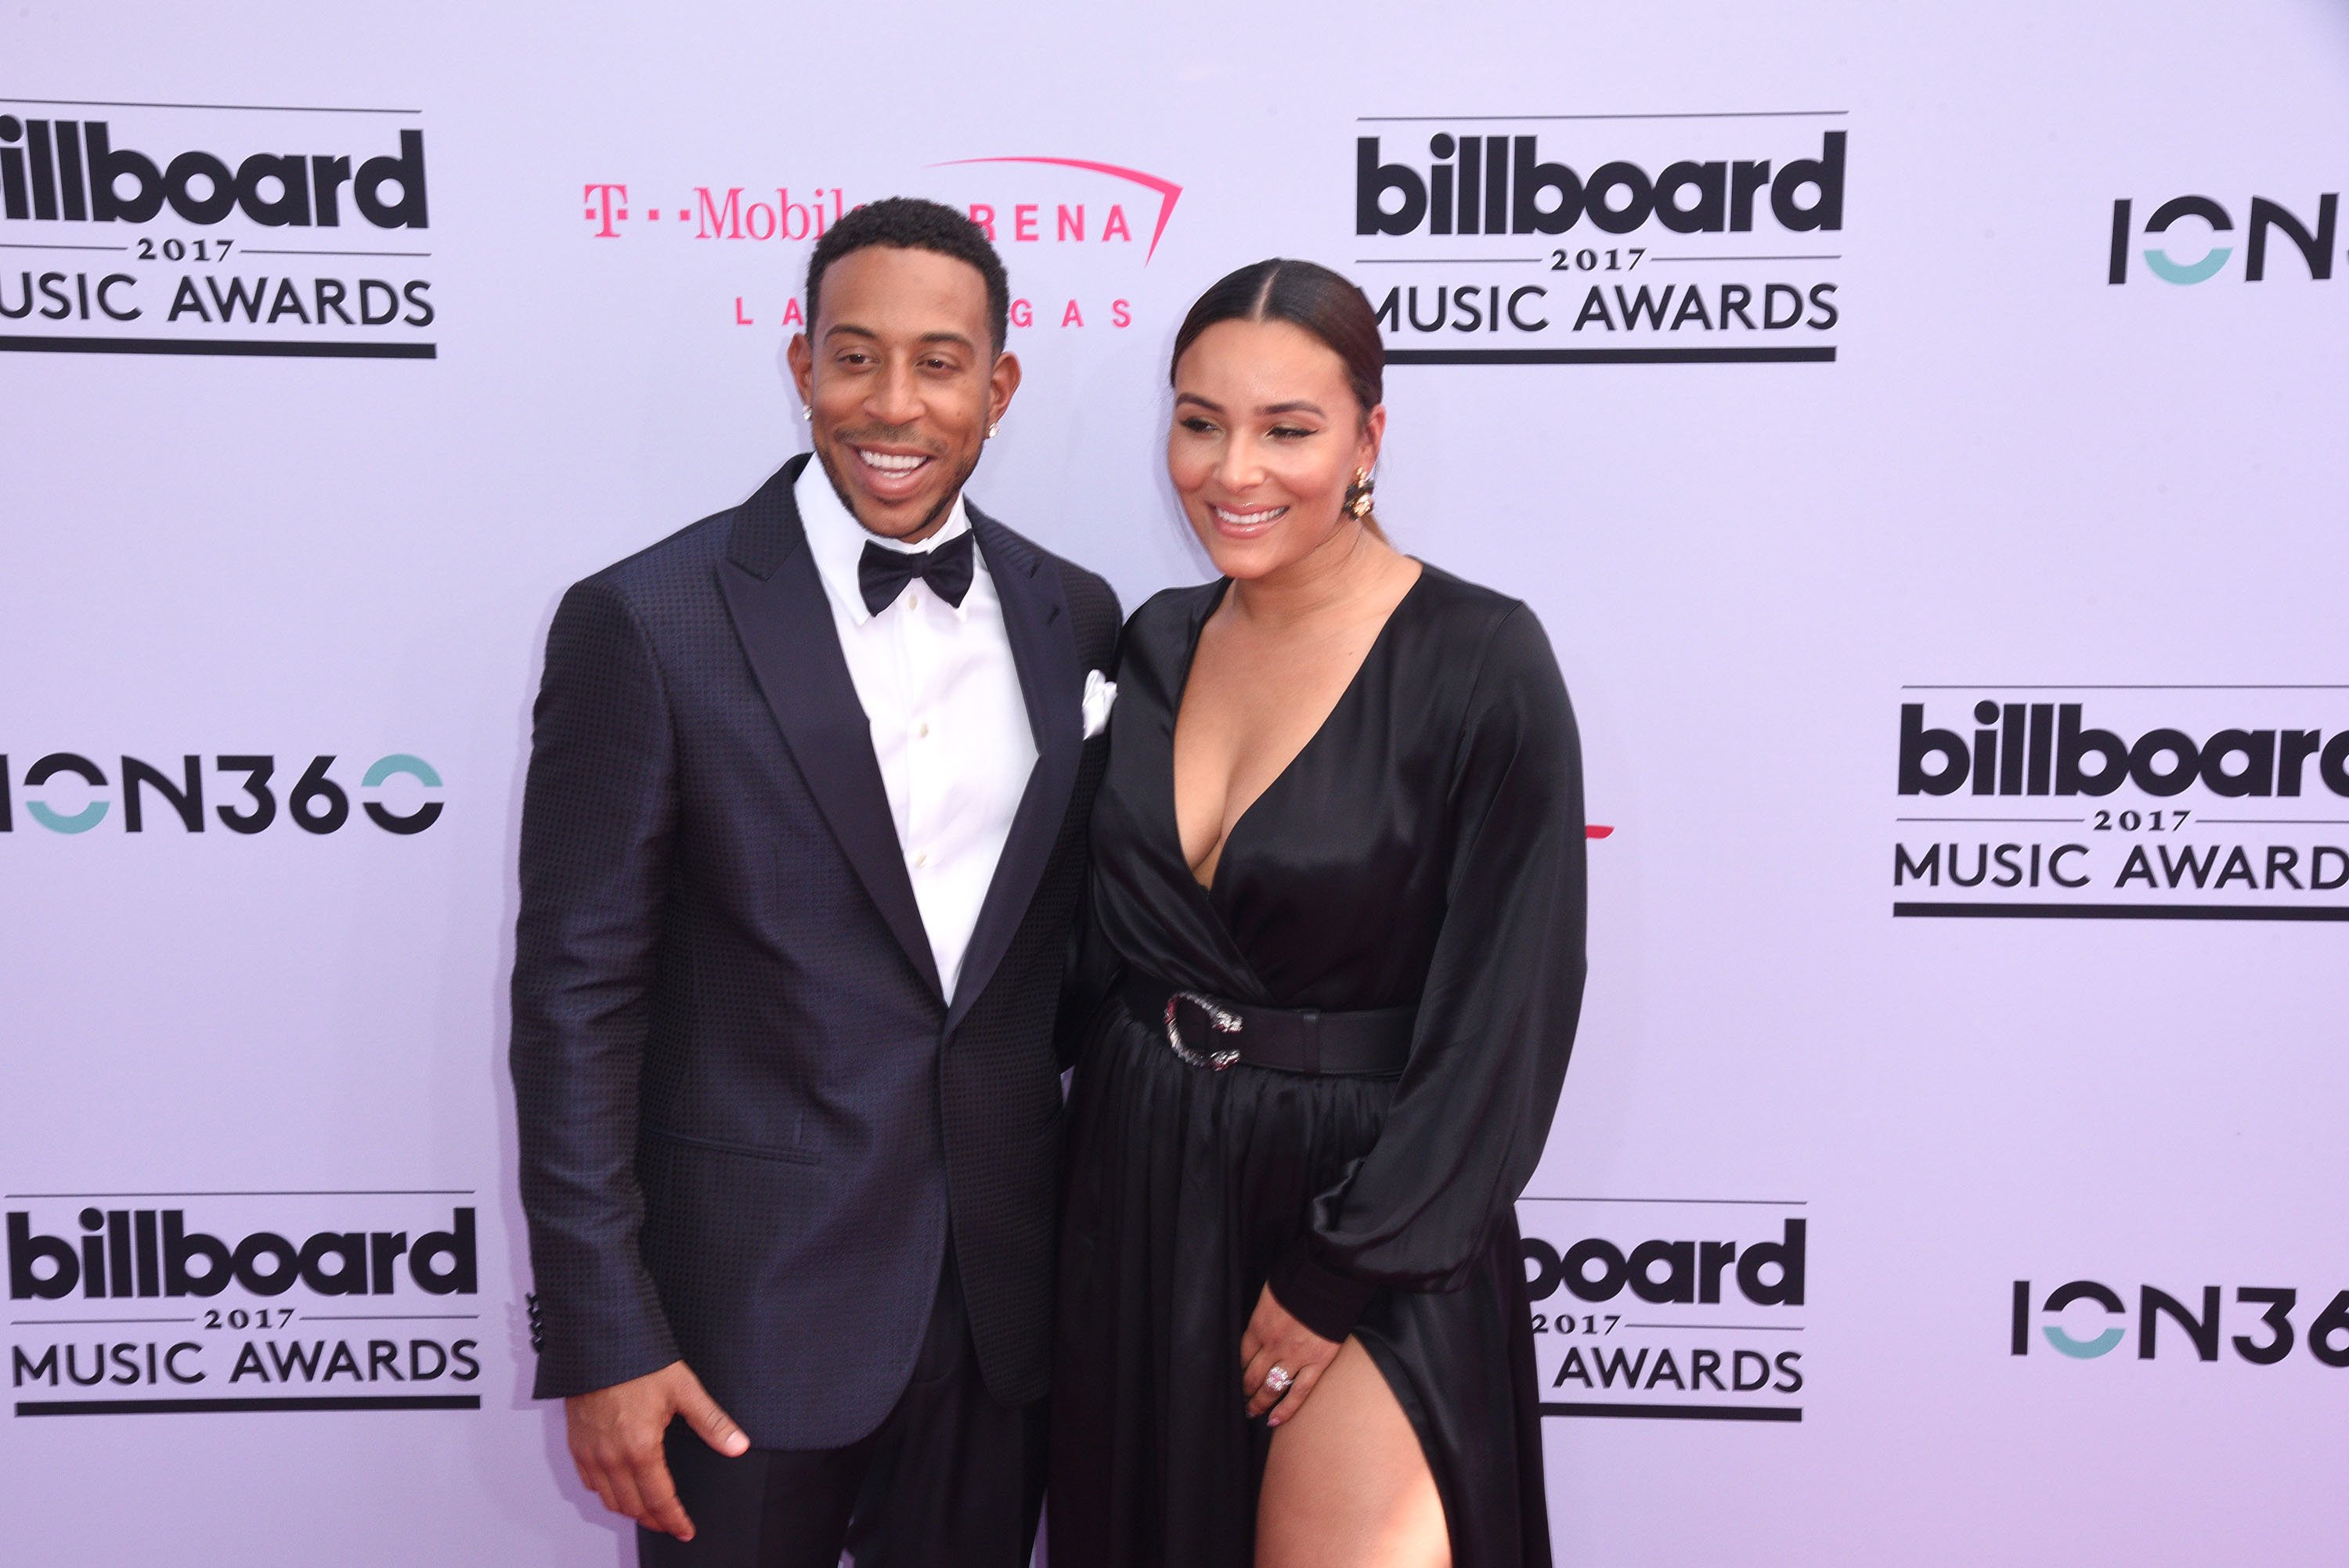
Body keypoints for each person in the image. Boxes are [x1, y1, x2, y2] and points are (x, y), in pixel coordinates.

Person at [510, 196, 1120, 1568]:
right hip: (741, 1328)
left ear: (998, 384)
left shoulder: (1071, 613)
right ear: (800, 368)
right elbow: (575, 1005)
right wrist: (606, 1331)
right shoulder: (645, 619)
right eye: (854, 357)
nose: (892, 403)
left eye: (939, 361)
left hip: (997, 1322)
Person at [1049, 258, 1586, 1568]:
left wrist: (1341, 1267)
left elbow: (1503, 1023)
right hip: (1141, 1193)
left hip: (1371, 1212)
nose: (1234, 470)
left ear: (1368, 436)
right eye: (1199, 420)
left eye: (1288, 429)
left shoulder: (1480, 661)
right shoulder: (1149, 646)